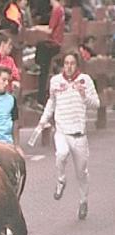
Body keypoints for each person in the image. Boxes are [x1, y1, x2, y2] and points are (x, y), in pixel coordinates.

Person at [34, 52, 100, 220]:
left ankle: (83, 201)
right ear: (63, 65)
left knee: (81, 172)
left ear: (77, 65)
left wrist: (83, 95)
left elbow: (96, 104)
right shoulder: (55, 81)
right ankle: (61, 180)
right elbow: (51, 102)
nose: (69, 66)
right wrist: (43, 121)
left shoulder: (85, 80)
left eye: (72, 63)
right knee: (61, 154)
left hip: (79, 133)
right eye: (66, 63)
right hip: (62, 130)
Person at [30, 0, 65, 107]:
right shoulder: (61, 9)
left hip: (52, 44)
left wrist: (36, 28)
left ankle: (41, 97)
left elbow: (49, 30)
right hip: (56, 43)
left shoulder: (56, 10)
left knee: (43, 71)